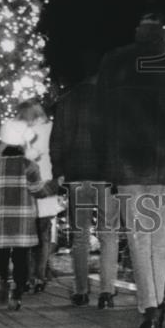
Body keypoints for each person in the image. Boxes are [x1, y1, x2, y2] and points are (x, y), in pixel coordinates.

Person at [98, 11, 165, 328]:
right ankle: (154, 307)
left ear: (139, 32)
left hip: (128, 165)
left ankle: (150, 307)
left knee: (138, 239)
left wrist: (109, 166)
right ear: (163, 35)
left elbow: (105, 119)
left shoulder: (114, 63)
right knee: (160, 241)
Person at [50, 64, 120, 309]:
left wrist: (59, 171)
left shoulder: (67, 101)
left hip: (76, 175)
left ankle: (80, 291)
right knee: (108, 235)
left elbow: (56, 139)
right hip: (105, 176)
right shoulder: (111, 101)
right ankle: (107, 292)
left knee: (80, 236)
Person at [0, 118, 59, 310]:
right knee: (21, 256)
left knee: (4, 253)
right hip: (23, 220)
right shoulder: (29, 165)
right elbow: (38, 190)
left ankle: (3, 283)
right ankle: (17, 291)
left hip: (2, 219)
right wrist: (56, 184)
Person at [16, 99, 65, 293]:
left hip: (30, 185)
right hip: (48, 184)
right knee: (43, 234)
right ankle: (40, 275)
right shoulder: (52, 128)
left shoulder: (23, 133)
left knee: (29, 235)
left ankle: (30, 276)